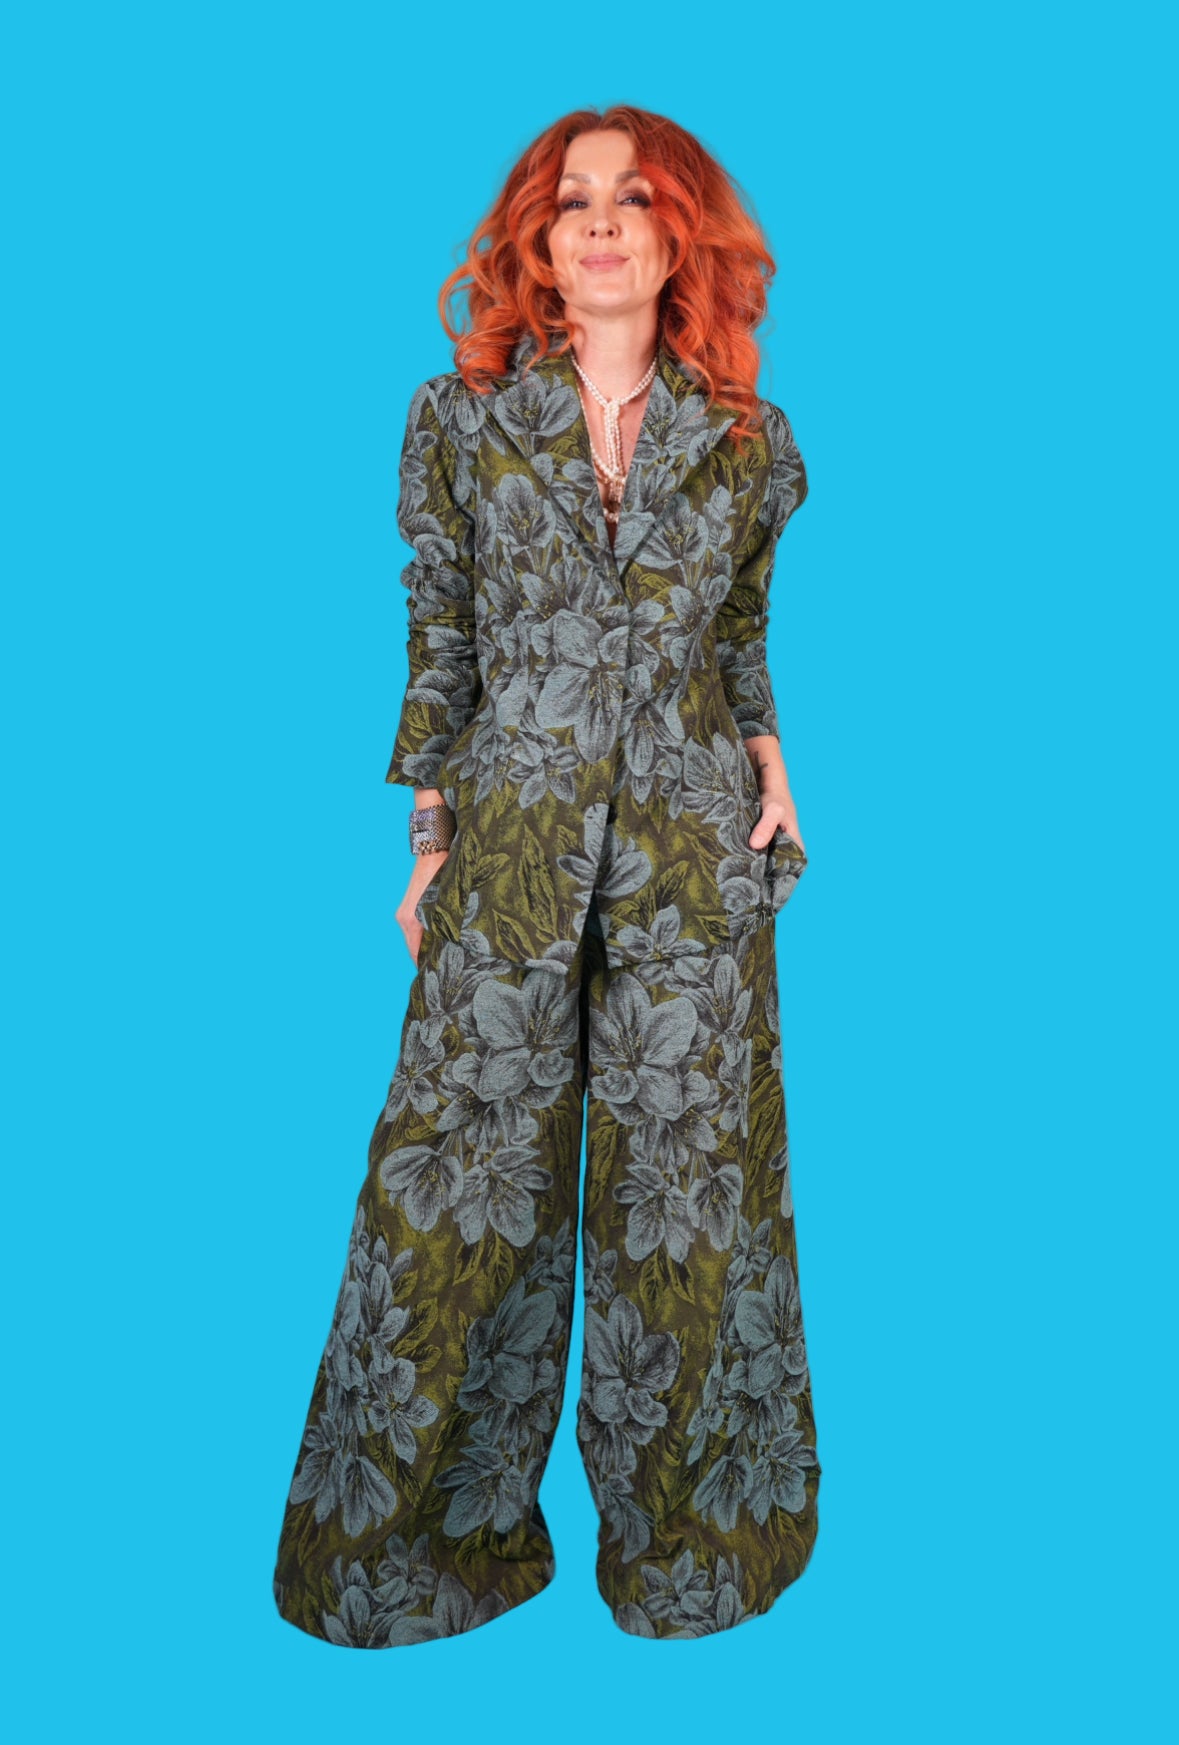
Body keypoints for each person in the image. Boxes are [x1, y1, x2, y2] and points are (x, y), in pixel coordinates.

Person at [272, 103, 821, 1647]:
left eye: (632, 198)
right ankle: (408, 1557)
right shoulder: (462, 424)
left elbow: (737, 639)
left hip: (691, 857)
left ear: (679, 237)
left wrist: (773, 761)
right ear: (539, 238)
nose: (599, 223)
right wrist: (429, 839)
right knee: (454, 1191)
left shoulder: (750, 445)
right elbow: (440, 632)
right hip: (511, 846)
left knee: (692, 1204)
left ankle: (695, 1552)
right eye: (572, 200)